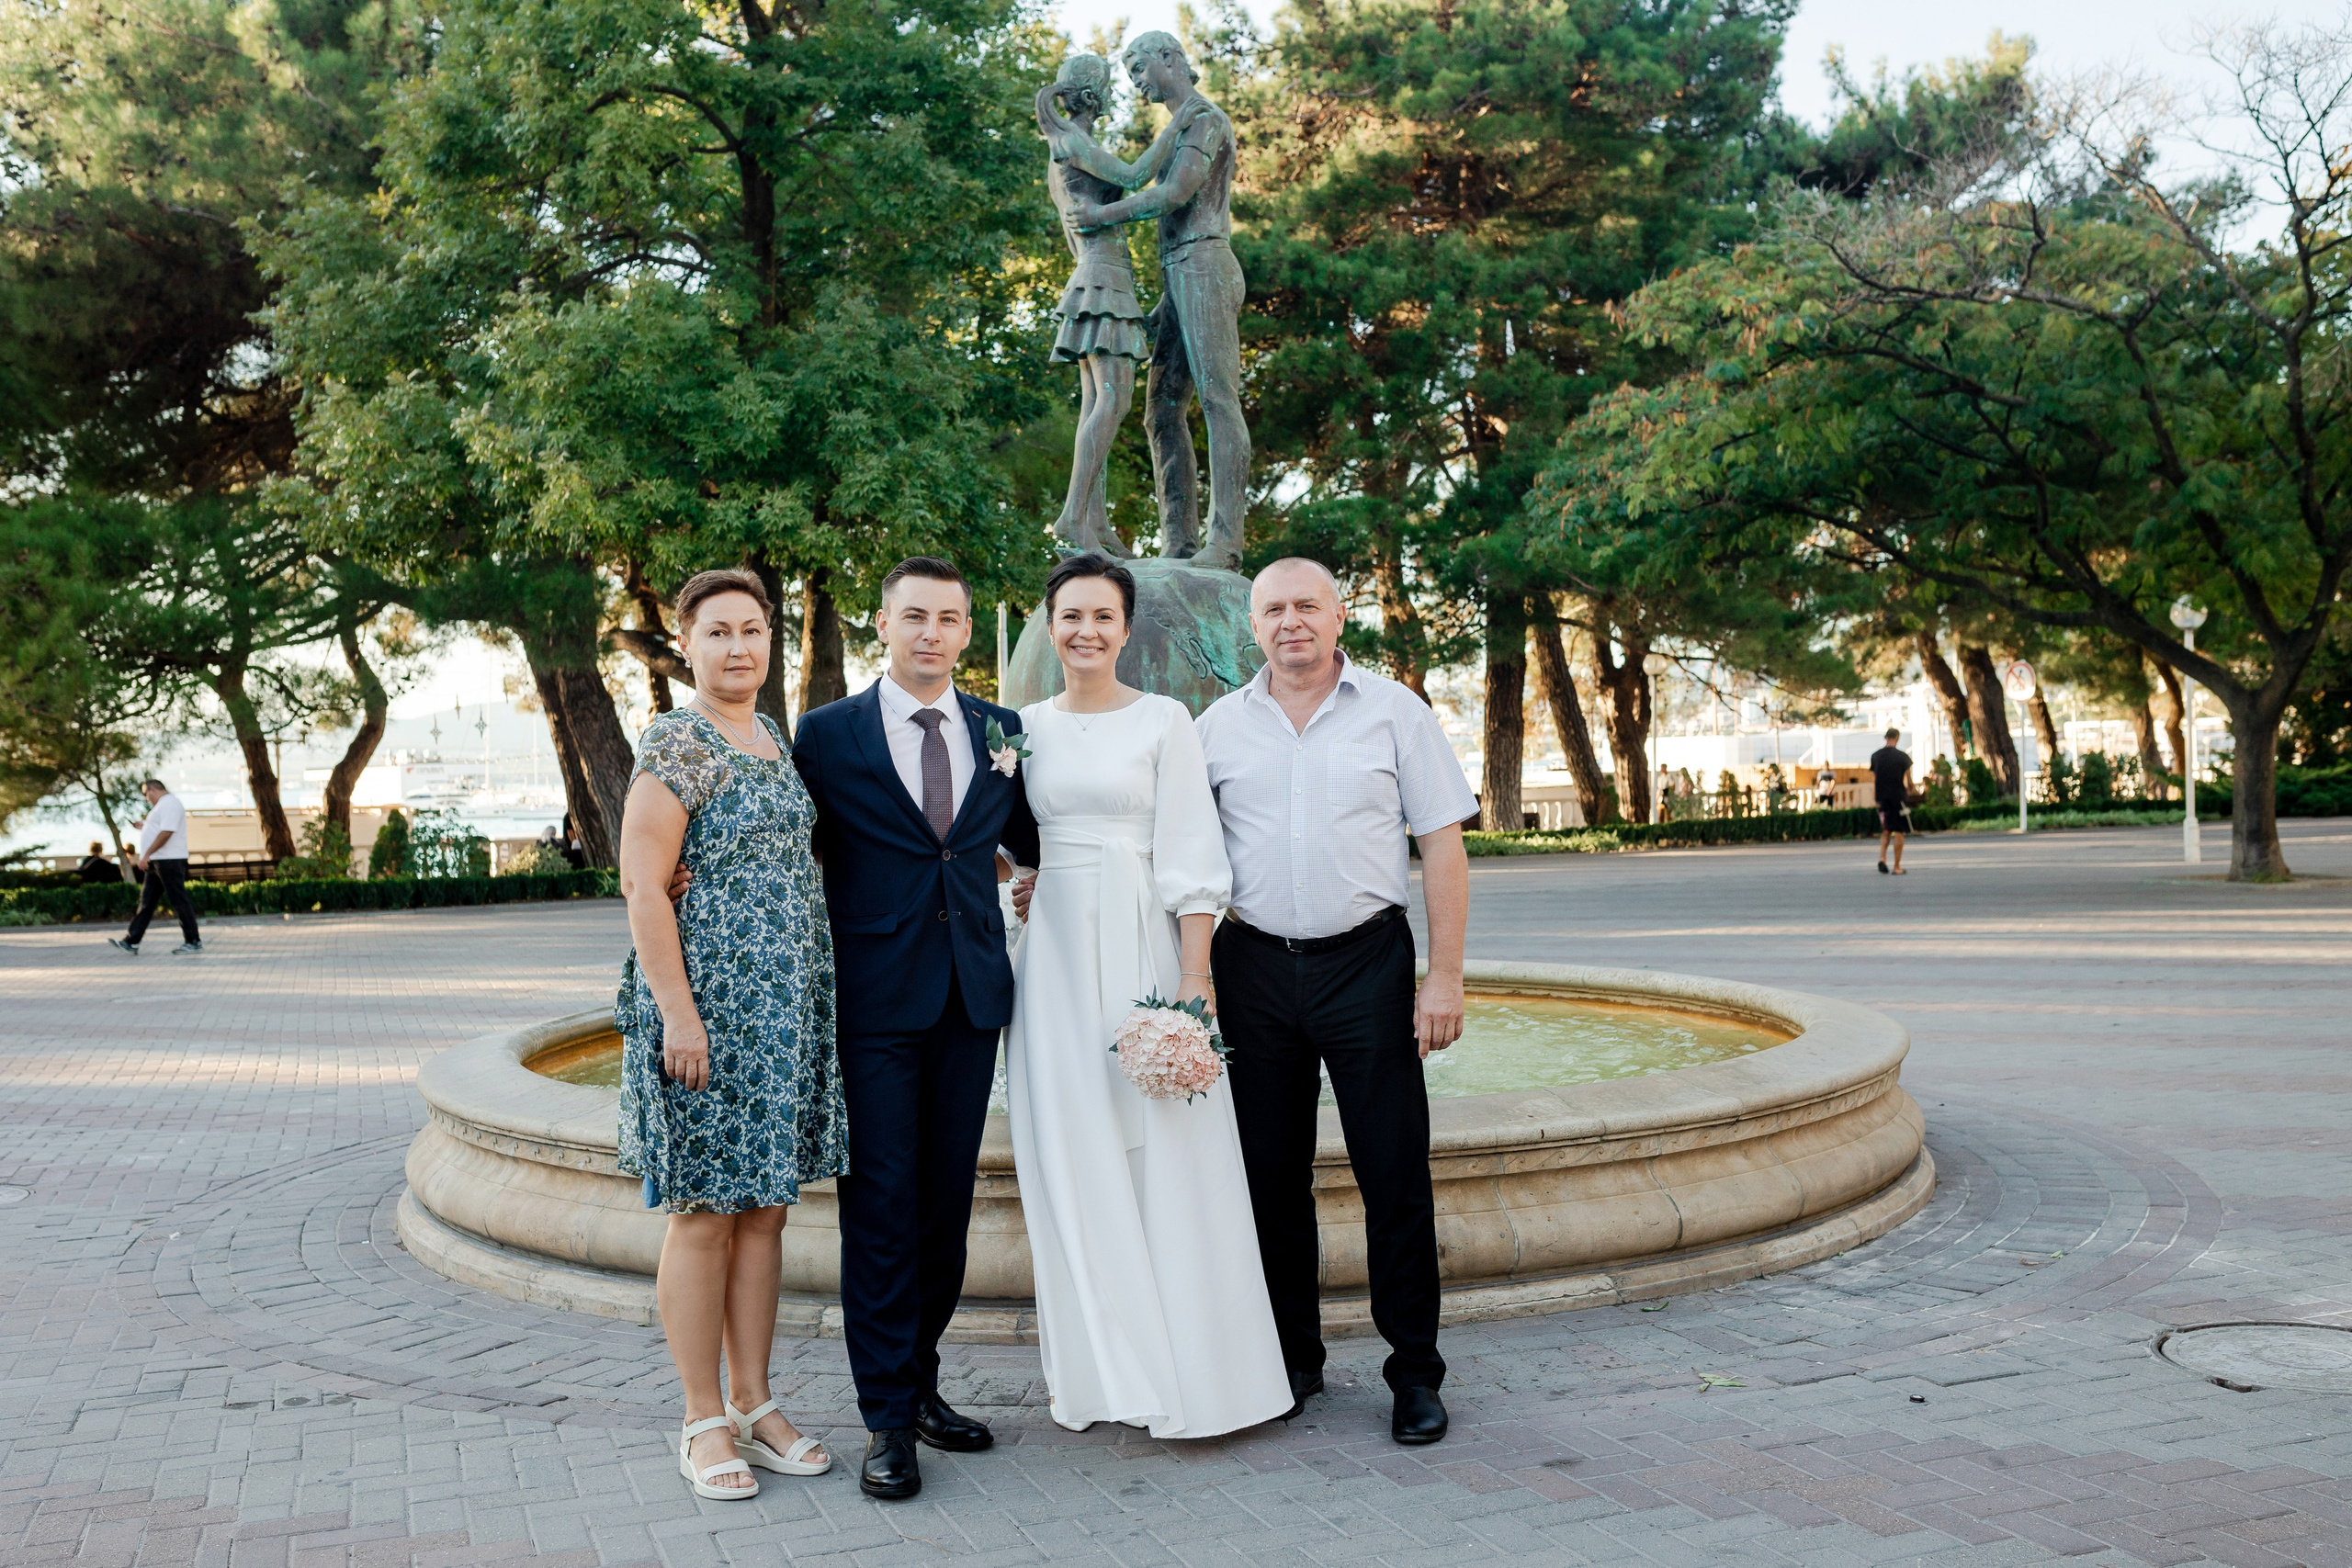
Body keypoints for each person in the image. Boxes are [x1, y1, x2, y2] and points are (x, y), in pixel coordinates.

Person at [1002, 553, 1290, 1438]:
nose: (1085, 631)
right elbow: (999, 840)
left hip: (1144, 944)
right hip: (1050, 950)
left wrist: (1194, 981)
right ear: (1051, 628)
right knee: (1073, 1144)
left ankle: (1201, 1370)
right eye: (1070, 616)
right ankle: (1099, 1371)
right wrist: (1015, 880)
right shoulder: (1019, 727)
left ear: (1127, 629)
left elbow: (1195, 856)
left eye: (1102, 616)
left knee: (1167, 1141)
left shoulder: (1167, 719)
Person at [1194, 558, 1477, 1446]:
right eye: (1273, 608)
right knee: (1269, 1178)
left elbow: (1441, 845)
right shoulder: (1215, 727)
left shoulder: (1396, 710)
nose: (1291, 622)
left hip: (1368, 964)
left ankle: (1415, 1373)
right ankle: (1294, 1358)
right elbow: (1175, 857)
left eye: (1306, 605)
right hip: (1253, 967)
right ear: (1254, 623)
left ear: (1339, 614)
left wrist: (1445, 975)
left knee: (1393, 1170)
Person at [789, 557, 1042, 1501]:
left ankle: (925, 1382)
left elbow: (1037, 839)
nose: (931, 632)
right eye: (914, 617)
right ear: (883, 624)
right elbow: (785, 841)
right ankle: (885, 1419)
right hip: (874, 1005)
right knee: (881, 1213)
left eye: (949, 618)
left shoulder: (1001, 730)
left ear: (968, 631)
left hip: (970, 999)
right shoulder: (827, 736)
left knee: (944, 1213)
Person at [614, 568, 844, 1501]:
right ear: (688, 643)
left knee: (766, 1213)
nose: (739, 647)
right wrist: (678, 1012)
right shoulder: (678, 738)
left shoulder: (771, 739)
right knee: (705, 1214)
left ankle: (754, 1400)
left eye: (753, 630)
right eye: (719, 633)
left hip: (781, 1015)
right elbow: (642, 883)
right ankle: (701, 1416)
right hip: (704, 1015)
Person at [1064, 32, 1249, 569]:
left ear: (1171, 59)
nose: (1138, 82)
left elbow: (1174, 194)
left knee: (1217, 399)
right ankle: (1180, 542)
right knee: (1161, 409)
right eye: (1131, 75)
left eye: (1141, 69)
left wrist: (1102, 217)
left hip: (1206, 265)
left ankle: (1225, 543)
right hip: (1180, 275)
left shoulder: (1204, 119)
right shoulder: (1178, 126)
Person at [1032, 56, 1198, 558]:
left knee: (1094, 405)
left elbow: (1071, 233)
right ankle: (1072, 517)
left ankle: (1096, 525)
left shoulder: (1060, 150)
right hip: (1104, 282)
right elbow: (1134, 175)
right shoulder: (1075, 144)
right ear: (1092, 96)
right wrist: (1179, 123)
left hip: (1091, 279)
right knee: (1114, 402)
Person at [107, 779, 200, 955]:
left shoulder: (169, 804)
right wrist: (144, 827)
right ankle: (131, 941)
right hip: (159, 861)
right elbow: (160, 828)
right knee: (147, 902)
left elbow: (167, 832)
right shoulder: (163, 806)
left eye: (145, 793)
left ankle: (193, 941)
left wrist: (147, 854)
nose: (146, 798)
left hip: (169, 860)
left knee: (178, 900)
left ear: (152, 790)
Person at [1870, 728, 1915, 875]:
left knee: (1886, 830)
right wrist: (1911, 791)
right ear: (1897, 738)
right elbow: (1909, 781)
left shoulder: (1875, 756)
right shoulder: (1903, 757)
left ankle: (1882, 858)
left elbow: (1874, 779)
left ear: (1885, 737)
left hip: (1882, 798)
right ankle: (1896, 866)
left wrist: (1876, 798)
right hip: (1898, 797)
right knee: (1899, 831)